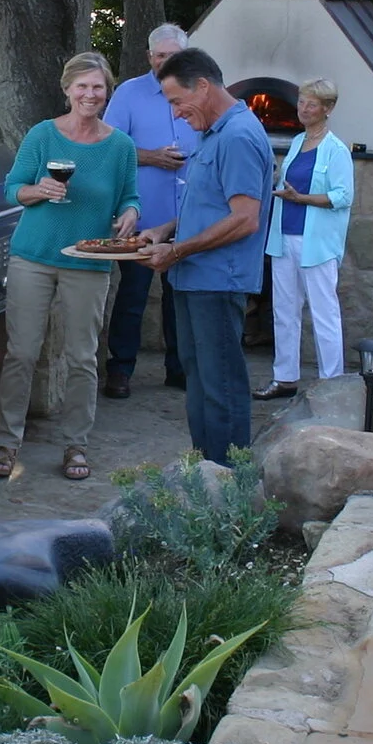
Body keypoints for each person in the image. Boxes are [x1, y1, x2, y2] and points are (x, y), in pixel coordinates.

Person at [0, 51, 140, 482]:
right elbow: (12, 189)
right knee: (21, 353)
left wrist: (130, 214)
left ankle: (76, 445)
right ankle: (7, 443)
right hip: (33, 256)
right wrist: (39, 190)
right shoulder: (42, 135)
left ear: (108, 91)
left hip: (88, 261)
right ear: (67, 89)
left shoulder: (121, 147)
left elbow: (130, 197)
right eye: (82, 86)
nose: (90, 94)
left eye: (98, 87)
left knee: (82, 357)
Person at [137, 47, 270, 466]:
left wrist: (176, 250)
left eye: (178, 101)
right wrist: (166, 229)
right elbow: (210, 206)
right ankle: (205, 473)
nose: (176, 113)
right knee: (199, 379)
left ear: (204, 87)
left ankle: (229, 480)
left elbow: (245, 219)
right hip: (194, 278)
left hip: (217, 281)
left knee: (221, 385)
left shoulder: (239, 136)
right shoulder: (214, 133)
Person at [100, 23, 190, 398]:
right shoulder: (129, 93)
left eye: (173, 56)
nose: (165, 62)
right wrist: (152, 157)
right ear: (149, 56)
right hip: (142, 216)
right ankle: (120, 370)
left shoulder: (196, 92)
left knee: (180, 297)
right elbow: (108, 148)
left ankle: (179, 369)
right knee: (132, 297)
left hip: (188, 218)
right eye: (159, 55)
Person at [257, 78, 354, 398]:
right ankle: (285, 377)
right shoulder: (298, 141)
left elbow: (343, 196)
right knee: (284, 311)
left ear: (328, 109)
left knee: (324, 313)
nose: (304, 109)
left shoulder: (336, 150)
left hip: (317, 243)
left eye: (312, 104)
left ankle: (332, 383)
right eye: (301, 102)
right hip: (284, 237)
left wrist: (303, 199)